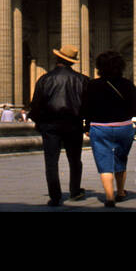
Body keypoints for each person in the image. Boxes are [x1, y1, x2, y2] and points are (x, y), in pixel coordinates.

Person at [28, 44, 89, 206]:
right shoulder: (82, 80)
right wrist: (87, 124)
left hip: (50, 125)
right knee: (75, 159)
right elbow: (89, 106)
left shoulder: (45, 79)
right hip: (74, 125)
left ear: (57, 59)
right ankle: (75, 191)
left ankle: (55, 196)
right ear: (72, 62)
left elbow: (36, 105)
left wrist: (38, 122)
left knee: (51, 161)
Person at [82, 51, 136, 207]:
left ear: (99, 67)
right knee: (120, 159)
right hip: (123, 127)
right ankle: (121, 192)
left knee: (104, 163)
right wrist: (124, 115)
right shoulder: (127, 84)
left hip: (100, 128)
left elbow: (85, 109)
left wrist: (88, 125)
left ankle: (109, 197)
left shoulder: (92, 85)